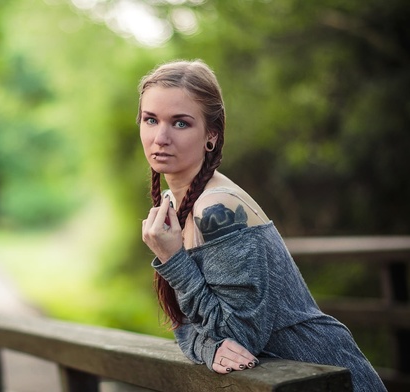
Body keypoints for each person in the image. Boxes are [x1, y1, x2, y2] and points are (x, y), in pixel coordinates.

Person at [138, 60, 386, 391]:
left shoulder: (216, 208)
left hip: (324, 375)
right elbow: (190, 326)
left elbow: (237, 339)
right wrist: (204, 346)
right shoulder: (174, 203)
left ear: (211, 135)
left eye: (180, 123)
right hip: (284, 378)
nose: (161, 137)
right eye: (150, 120)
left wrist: (173, 259)